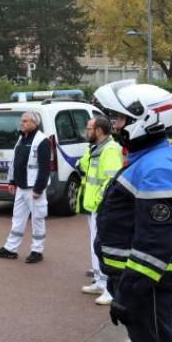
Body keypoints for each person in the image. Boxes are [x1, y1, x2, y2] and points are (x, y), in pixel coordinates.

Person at [93, 80, 172, 341]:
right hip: (139, 283)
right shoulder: (147, 159)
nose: (115, 125)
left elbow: (154, 243)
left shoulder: (158, 168)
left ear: (146, 119)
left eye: (120, 118)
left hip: (148, 287)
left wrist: (129, 293)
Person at [75, 116, 123, 306]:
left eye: (89, 129)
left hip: (101, 206)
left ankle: (109, 289)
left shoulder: (109, 150)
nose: (87, 132)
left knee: (103, 246)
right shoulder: (96, 148)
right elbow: (83, 165)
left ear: (99, 131)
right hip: (93, 206)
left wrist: (98, 200)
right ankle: (100, 281)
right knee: (95, 244)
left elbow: (111, 181)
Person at [0, 111, 51, 263]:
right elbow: (14, 161)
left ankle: (37, 251)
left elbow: (45, 168)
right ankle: (11, 248)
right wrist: (12, 181)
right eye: (22, 121)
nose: (22, 123)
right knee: (17, 219)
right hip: (21, 187)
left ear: (34, 123)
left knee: (38, 219)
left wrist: (39, 188)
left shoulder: (42, 141)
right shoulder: (21, 139)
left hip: (34, 188)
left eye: (25, 121)